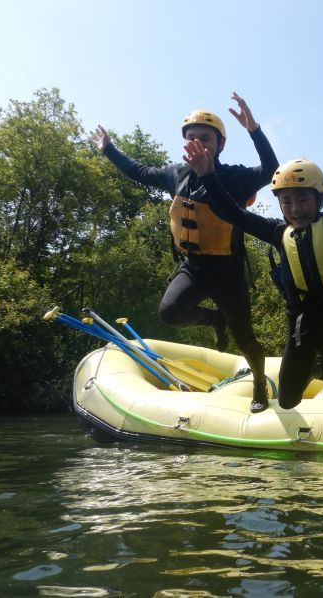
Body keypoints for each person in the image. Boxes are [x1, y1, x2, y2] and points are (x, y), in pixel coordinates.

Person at [93, 93, 277, 413]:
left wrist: (254, 129)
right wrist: (109, 149)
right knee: (170, 312)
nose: (197, 143)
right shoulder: (176, 175)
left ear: (220, 145)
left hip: (227, 271)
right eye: (191, 138)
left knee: (245, 338)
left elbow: (271, 169)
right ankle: (214, 319)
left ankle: (259, 384)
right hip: (194, 267)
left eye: (205, 138)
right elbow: (139, 171)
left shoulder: (234, 177)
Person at [184, 143, 323, 418]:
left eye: (303, 199)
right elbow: (231, 213)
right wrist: (209, 174)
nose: (295, 208)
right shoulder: (276, 232)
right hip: (300, 321)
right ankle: (317, 367)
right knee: (288, 400)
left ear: (319, 200)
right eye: (287, 201)